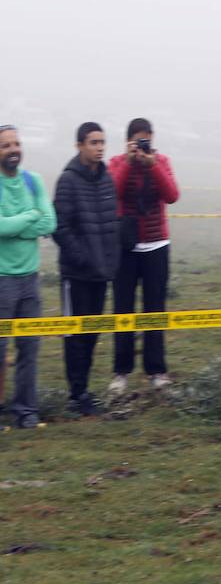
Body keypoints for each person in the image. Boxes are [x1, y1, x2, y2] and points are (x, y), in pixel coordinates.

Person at [52, 122, 120, 416]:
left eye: (103, 142)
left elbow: (110, 223)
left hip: (100, 274)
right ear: (79, 145)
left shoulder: (106, 179)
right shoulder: (67, 180)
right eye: (94, 142)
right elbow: (60, 227)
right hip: (76, 274)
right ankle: (75, 393)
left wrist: (109, 259)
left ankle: (84, 392)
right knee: (75, 334)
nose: (100, 147)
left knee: (92, 334)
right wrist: (81, 258)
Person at [108, 118, 179, 393]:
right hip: (125, 247)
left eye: (147, 140)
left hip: (157, 245)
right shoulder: (116, 162)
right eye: (138, 140)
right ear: (128, 141)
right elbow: (112, 191)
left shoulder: (162, 161)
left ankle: (156, 369)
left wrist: (153, 165)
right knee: (122, 310)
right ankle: (121, 371)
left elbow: (172, 195)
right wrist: (129, 161)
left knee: (155, 309)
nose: (144, 145)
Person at [0, 125, 55, 429]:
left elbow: (50, 221)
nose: (13, 150)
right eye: (6, 145)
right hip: (2, 279)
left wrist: (16, 225)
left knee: (29, 348)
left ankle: (26, 412)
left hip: (30, 279)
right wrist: (30, 218)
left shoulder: (34, 182)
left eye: (16, 143)